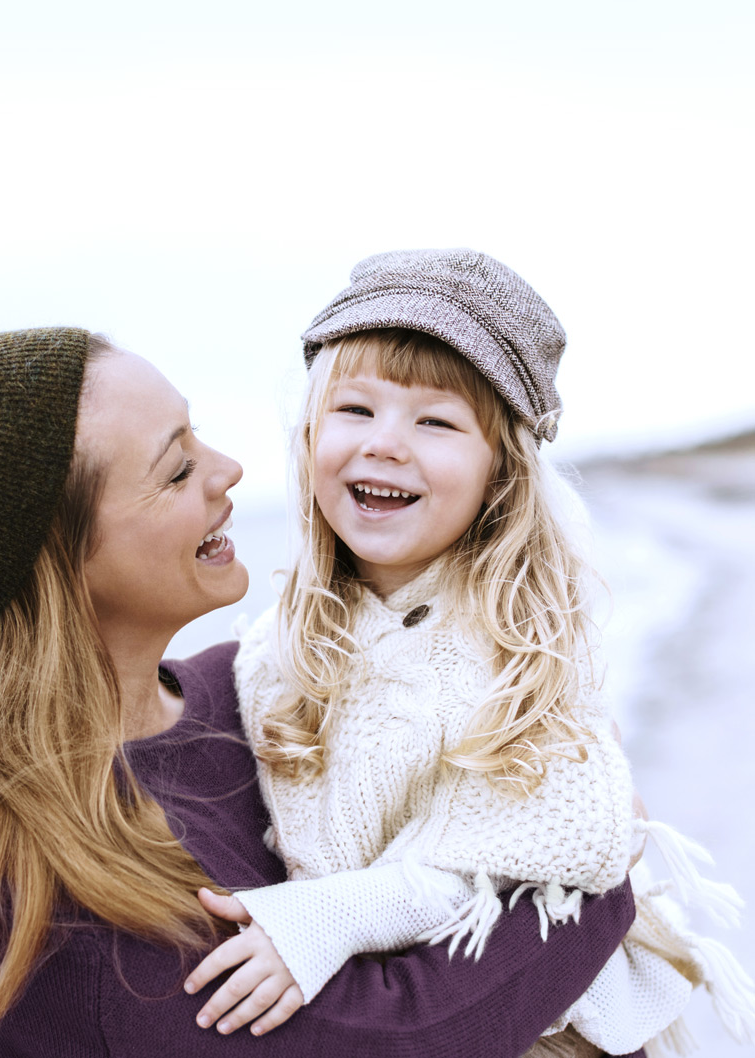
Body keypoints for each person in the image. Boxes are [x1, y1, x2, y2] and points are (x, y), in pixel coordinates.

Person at [0, 325, 639, 1058]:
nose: (228, 470)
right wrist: (600, 884)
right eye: (177, 468)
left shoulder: (248, 690)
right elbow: (371, 1042)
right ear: (58, 557)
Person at [184, 251, 755, 1056]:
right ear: (309, 434)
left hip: (551, 1025)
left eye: (436, 422)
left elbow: (537, 853)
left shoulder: (527, 643)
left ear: (500, 473)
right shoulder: (281, 641)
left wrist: (323, 917)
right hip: (376, 1010)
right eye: (356, 408)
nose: (386, 444)